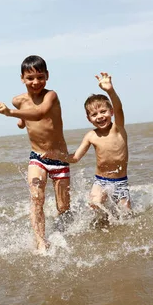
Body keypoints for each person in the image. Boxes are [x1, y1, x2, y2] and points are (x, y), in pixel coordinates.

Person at [0, 55, 70, 251]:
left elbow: (40, 113)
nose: (36, 82)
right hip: (37, 157)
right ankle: (40, 241)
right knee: (37, 198)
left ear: (47, 76)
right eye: (30, 78)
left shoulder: (51, 95)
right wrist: (19, 120)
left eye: (40, 77)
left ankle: (64, 234)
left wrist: (10, 113)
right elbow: (24, 121)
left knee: (63, 207)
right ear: (22, 78)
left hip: (59, 158)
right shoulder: (18, 100)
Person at [45, 72, 131, 218]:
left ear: (110, 112)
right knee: (95, 205)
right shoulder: (91, 136)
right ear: (89, 118)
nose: (100, 116)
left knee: (126, 215)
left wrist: (110, 90)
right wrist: (57, 156)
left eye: (103, 111)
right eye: (94, 114)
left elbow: (119, 108)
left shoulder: (118, 128)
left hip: (120, 182)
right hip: (101, 181)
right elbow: (75, 158)